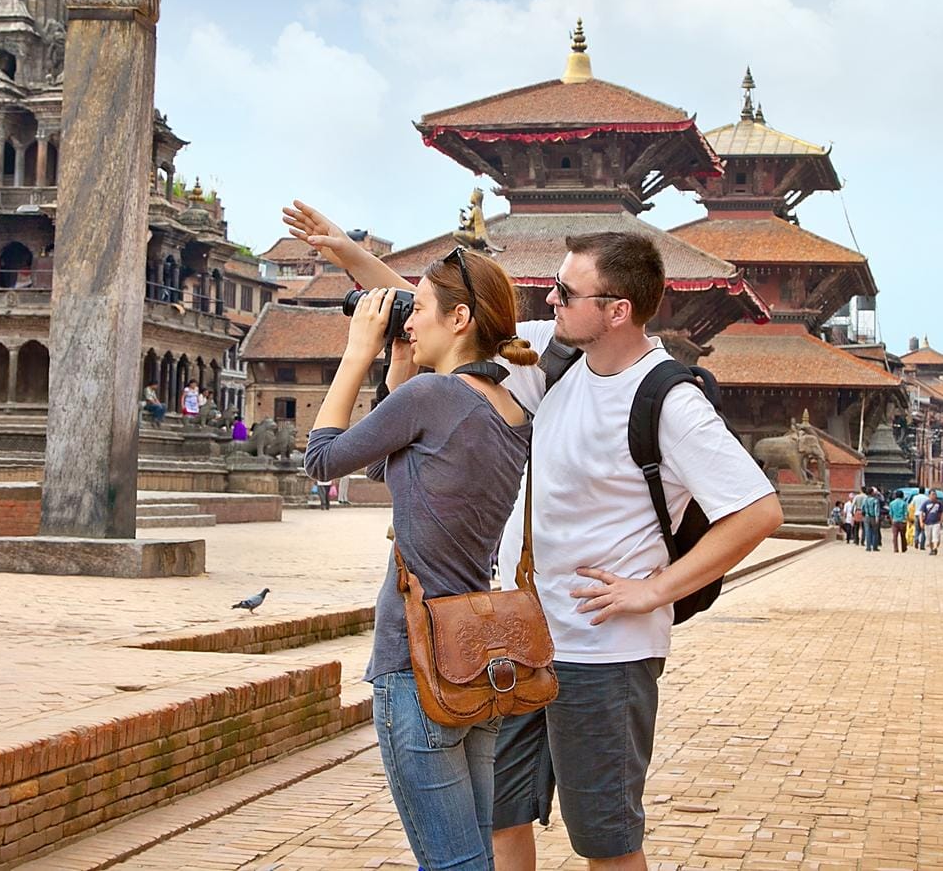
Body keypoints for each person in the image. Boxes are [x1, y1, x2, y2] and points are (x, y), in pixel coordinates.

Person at [285, 203, 782, 871]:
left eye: (566, 292)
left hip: (606, 653)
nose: (549, 298)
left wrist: (654, 590)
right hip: (520, 639)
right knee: (501, 821)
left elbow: (758, 511)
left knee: (605, 841)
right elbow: (437, 311)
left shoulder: (668, 399)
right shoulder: (549, 362)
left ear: (619, 310)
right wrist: (345, 250)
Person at [301, 250, 536, 870]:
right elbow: (392, 465)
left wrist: (357, 350)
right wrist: (398, 369)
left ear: (459, 319)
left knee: (452, 864)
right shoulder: (511, 411)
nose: (409, 321)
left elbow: (323, 461)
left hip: (416, 660)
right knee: (473, 855)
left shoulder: (433, 396)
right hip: (478, 658)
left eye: (420, 309)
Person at [920, 489, 943, 555]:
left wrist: (941, 521)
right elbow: (921, 513)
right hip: (927, 523)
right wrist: (921, 522)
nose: (934, 496)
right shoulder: (925, 503)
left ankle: (935, 548)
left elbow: (942, 512)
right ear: (929, 495)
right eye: (932, 494)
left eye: (935, 494)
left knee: (935, 536)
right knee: (929, 538)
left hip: (936, 522)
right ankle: (932, 549)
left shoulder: (939, 503)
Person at [860, 488, 882, 552]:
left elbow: (862, 508)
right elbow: (876, 509)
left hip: (866, 517)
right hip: (873, 517)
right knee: (875, 532)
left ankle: (868, 547)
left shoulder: (865, 500)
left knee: (867, 532)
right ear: (872, 493)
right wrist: (877, 517)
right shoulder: (875, 500)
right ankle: (875, 547)